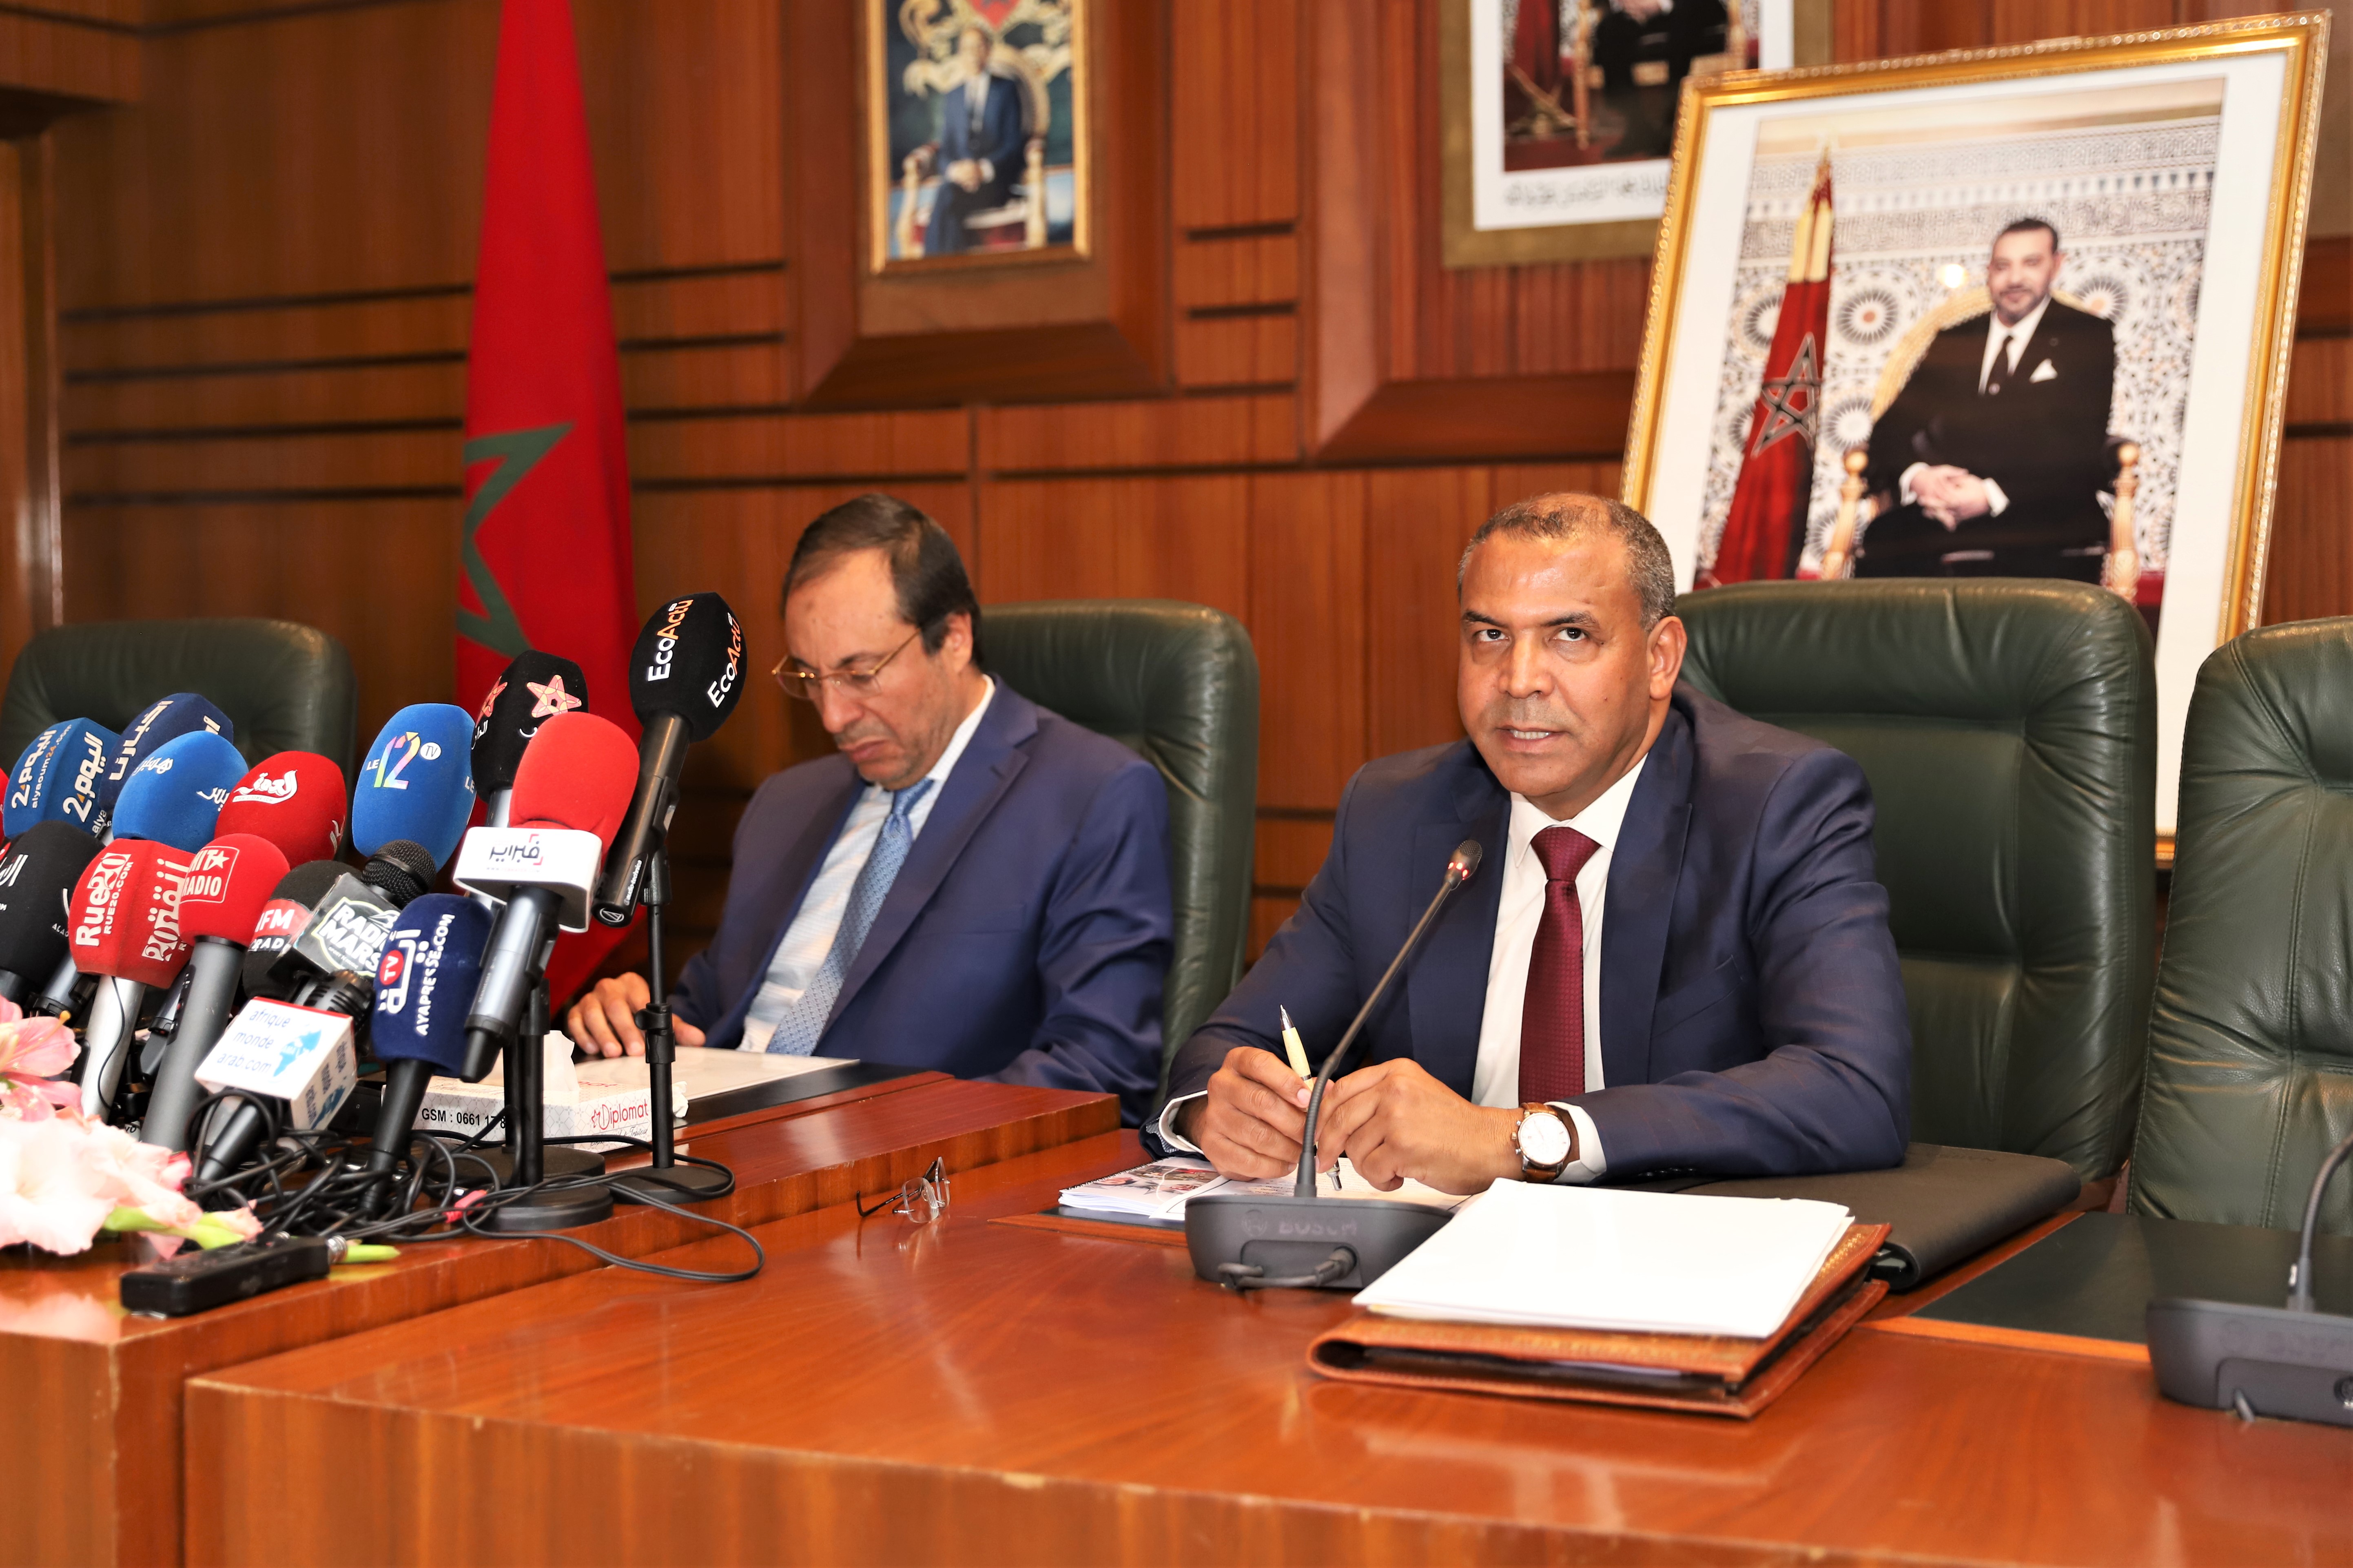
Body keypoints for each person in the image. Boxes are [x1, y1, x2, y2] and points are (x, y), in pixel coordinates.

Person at [1158, 493, 1909, 1193]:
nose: (1518, 681)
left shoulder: (1778, 804)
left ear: (1659, 658)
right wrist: (1214, 1111)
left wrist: (1520, 1138)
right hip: (1433, 1254)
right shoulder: (1395, 814)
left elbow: (1853, 1087)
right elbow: (1225, 1047)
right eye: (1489, 636)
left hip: (1675, 1251)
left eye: (1569, 635)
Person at [567, 493, 1172, 1125]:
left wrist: (886, 1142)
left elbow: (1098, 1072)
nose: (833, 717)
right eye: (810, 678)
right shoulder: (785, 804)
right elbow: (709, 1013)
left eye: (860, 674)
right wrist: (631, 1017)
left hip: (905, 1161)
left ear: (954, 638)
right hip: (704, 1139)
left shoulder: (1093, 794)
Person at [1840, 218, 2123, 585]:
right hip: (1945, 509)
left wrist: (1990, 494)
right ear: (1989, 272)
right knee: (1886, 537)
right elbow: (1890, 430)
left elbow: (2081, 441)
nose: (2015, 279)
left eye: (2031, 263)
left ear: (2057, 265)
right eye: (2003, 266)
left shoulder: (2087, 335)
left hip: (2044, 508)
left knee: (2030, 554)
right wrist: (1921, 479)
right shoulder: (1955, 341)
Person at [919, 24, 1028, 256]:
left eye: (978, 47)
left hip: (994, 182)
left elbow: (1014, 143)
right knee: (950, 199)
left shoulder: (1007, 90)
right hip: (960, 182)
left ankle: (933, 267)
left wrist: (982, 169)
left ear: (988, 51)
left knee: (947, 200)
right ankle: (950, 268)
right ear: (960, 54)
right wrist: (955, 171)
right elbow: (946, 148)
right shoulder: (953, 96)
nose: (973, 54)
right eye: (967, 49)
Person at [1590, 0, 1728, 157]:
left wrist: (1661, 4)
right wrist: (1630, 4)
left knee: (1684, 16)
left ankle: (1674, 123)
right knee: (1610, 29)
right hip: (1645, 12)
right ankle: (1637, 126)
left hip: (1694, 7)